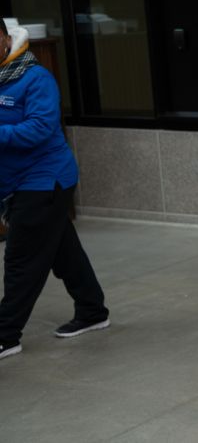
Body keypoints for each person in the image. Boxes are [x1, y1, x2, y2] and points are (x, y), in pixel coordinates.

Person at [0, 21, 110, 361]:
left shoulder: (35, 78)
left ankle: (6, 334)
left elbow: (39, 129)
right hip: (16, 183)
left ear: (4, 38)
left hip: (45, 179)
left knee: (22, 259)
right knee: (63, 251)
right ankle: (93, 310)